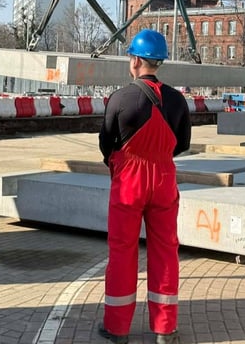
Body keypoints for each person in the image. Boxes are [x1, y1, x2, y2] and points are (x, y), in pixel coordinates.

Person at [98, 29, 191, 344]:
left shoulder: (121, 98)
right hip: (164, 179)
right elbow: (183, 144)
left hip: (128, 182)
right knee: (166, 252)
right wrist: (159, 157)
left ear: (135, 59)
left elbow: (106, 142)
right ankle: (165, 329)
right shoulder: (178, 100)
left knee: (123, 252)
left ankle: (117, 328)